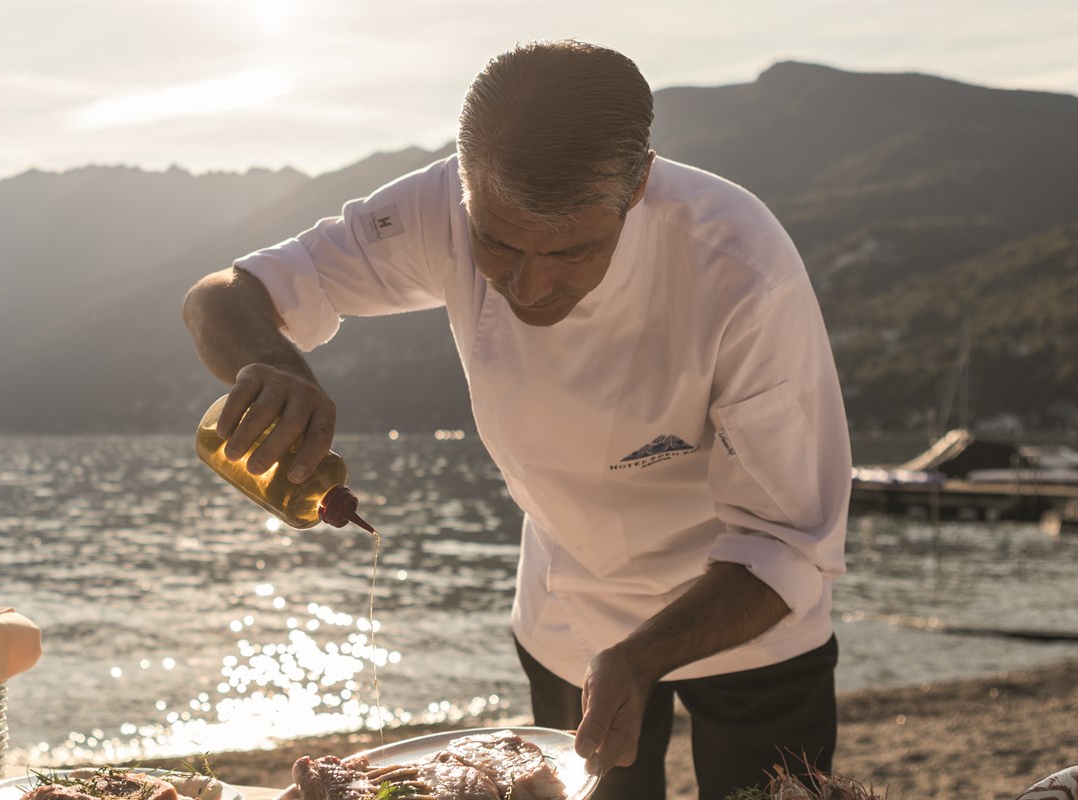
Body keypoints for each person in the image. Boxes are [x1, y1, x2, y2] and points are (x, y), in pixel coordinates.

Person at [180, 40, 851, 800]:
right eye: (496, 242)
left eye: (571, 251)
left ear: (636, 193)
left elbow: (788, 541)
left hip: (747, 615)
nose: (528, 287)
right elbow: (220, 297)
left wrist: (642, 654)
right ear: (466, 189)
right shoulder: (442, 205)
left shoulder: (741, 269)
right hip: (571, 613)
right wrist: (277, 368)